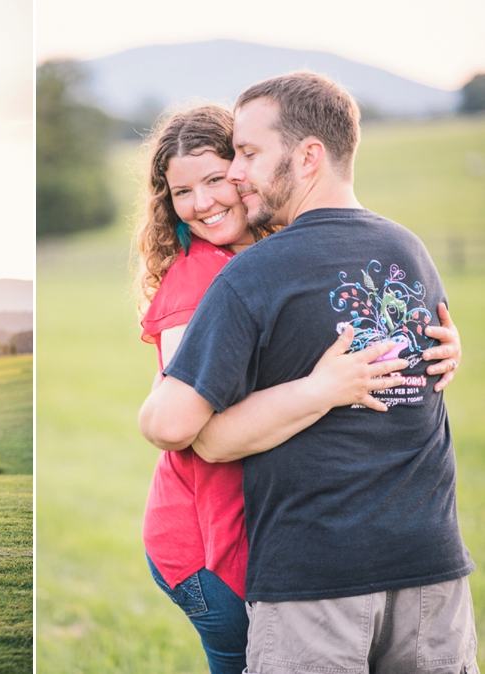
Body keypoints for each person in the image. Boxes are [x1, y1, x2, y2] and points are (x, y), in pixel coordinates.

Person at [140, 72, 476, 673]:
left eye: (241, 158)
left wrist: (446, 352)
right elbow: (182, 425)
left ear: (307, 157)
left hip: (313, 566)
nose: (233, 179)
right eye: (185, 190)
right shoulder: (407, 248)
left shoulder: (254, 273)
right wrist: (326, 387)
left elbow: (193, 430)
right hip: (418, 563)